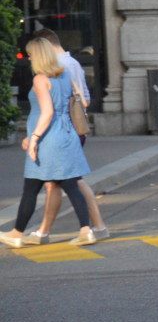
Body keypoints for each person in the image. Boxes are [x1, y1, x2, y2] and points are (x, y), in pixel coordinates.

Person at [1, 38, 98, 248]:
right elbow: (81, 99)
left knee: (31, 188)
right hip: (67, 134)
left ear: (39, 55)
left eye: (31, 53)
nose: (29, 57)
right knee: (70, 185)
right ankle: (86, 230)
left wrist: (34, 138)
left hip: (48, 139)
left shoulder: (40, 79)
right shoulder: (64, 74)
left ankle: (17, 233)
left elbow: (47, 112)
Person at [24, 30, 109, 243]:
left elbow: (51, 110)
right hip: (69, 130)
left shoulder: (58, 69)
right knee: (60, 183)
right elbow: (84, 100)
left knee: (71, 182)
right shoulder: (71, 64)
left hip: (61, 132)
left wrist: (34, 136)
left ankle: (93, 227)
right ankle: (46, 231)